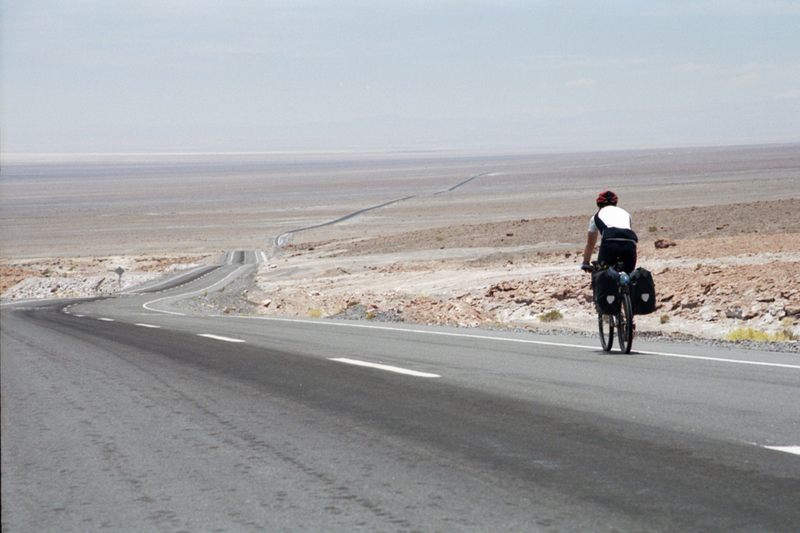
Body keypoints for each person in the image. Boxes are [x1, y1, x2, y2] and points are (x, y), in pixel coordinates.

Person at [581, 190, 638, 273]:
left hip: (609, 244)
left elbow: (590, 244)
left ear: (598, 204)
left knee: (602, 274)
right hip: (630, 243)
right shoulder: (626, 214)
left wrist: (585, 262)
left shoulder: (596, 217)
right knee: (629, 275)